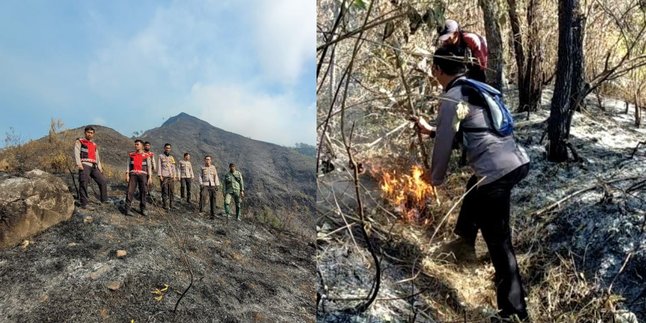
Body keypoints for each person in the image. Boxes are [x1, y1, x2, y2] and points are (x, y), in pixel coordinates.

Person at [413, 47, 530, 321]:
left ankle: (514, 313)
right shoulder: (473, 88)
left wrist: (435, 178)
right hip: (515, 161)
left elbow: (444, 144)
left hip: (496, 172)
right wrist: (430, 130)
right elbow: (469, 129)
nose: (433, 74)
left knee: (499, 243)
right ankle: (463, 242)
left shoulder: (452, 96)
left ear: (438, 70)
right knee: (472, 188)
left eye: (434, 70)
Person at [73, 125, 108, 209]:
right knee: (83, 183)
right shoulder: (80, 141)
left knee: (103, 181)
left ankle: (104, 200)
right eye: (88, 132)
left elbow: (97, 156)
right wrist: (79, 164)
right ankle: (84, 204)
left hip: (94, 166)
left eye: (91, 133)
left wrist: (100, 167)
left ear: (93, 134)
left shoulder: (94, 144)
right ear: (85, 133)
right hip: (84, 164)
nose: (90, 134)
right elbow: (76, 152)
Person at [125, 139, 152, 216]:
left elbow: (149, 167)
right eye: (135, 144)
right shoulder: (131, 155)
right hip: (133, 175)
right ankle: (127, 209)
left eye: (137, 144)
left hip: (143, 175)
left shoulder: (147, 156)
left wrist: (150, 177)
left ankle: (143, 209)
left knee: (143, 191)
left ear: (142, 146)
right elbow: (128, 165)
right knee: (130, 191)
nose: (136, 145)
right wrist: (127, 174)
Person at [158, 143, 178, 210]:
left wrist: (175, 176)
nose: (168, 149)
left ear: (170, 149)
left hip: (171, 176)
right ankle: (165, 205)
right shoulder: (161, 156)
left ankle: (171, 204)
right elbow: (159, 166)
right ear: (164, 148)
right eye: (166, 148)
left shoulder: (171, 157)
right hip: (164, 176)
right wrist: (160, 175)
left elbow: (173, 167)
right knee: (165, 190)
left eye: (169, 148)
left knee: (171, 191)